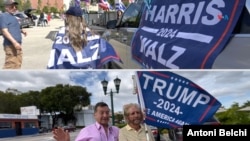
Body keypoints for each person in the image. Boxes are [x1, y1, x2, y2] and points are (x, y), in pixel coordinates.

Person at [47, 6, 122, 69]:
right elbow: (107, 54)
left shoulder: (60, 35)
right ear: (81, 18)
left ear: (68, 18)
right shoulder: (93, 35)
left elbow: (54, 61)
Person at [53, 102, 119, 141]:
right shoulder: (86, 131)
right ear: (95, 115)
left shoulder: (116, 130)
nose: (105, 115)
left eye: (107, 113)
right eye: (101, 113)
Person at [0, 0, 27, 69]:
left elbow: (12, 28)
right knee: (10, 65)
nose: (14, 8)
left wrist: (21, 31)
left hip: (17, 45)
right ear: (6, 7)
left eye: (15, 6)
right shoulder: (4, 16)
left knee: (17, 64)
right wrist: (15, 43)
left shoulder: (13, 16)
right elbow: (4, 31)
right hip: (11, 45)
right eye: (12, 6)